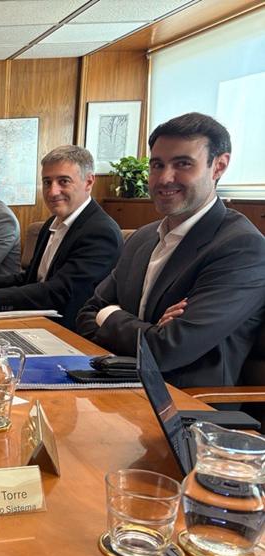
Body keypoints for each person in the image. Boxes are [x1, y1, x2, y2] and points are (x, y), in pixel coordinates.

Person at [76, 112, 265, 388]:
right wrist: (150, 330)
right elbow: (86, 314)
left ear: (219, 166)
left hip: (186, 408)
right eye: (157, 165)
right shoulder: (142, 238)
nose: (164, 178)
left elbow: (167, 350)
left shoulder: (241, 248)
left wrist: (110, 315)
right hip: (116, 384)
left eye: (183, 164)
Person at [0, 145, 122, 330]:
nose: (52, 191)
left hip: (67, 334)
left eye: (63, 181)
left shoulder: (100, 231)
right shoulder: (52, 224)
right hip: (36, 323)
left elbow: (60, 292)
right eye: (47, 182)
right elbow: (29, 280)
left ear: (89, 182)